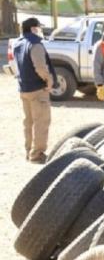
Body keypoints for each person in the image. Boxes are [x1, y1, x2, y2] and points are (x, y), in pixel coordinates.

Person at [13, 17, 56, 164]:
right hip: (38, 89)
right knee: (41, 122)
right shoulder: (35, 44)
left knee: (28, 122)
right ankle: (37, 154)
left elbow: (15, 65)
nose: (40, 30)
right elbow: (40, 67)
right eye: (38, 27)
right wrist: (49, 80)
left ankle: (28, 151)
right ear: (33, 28)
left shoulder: (17, 43)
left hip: (24, 88)